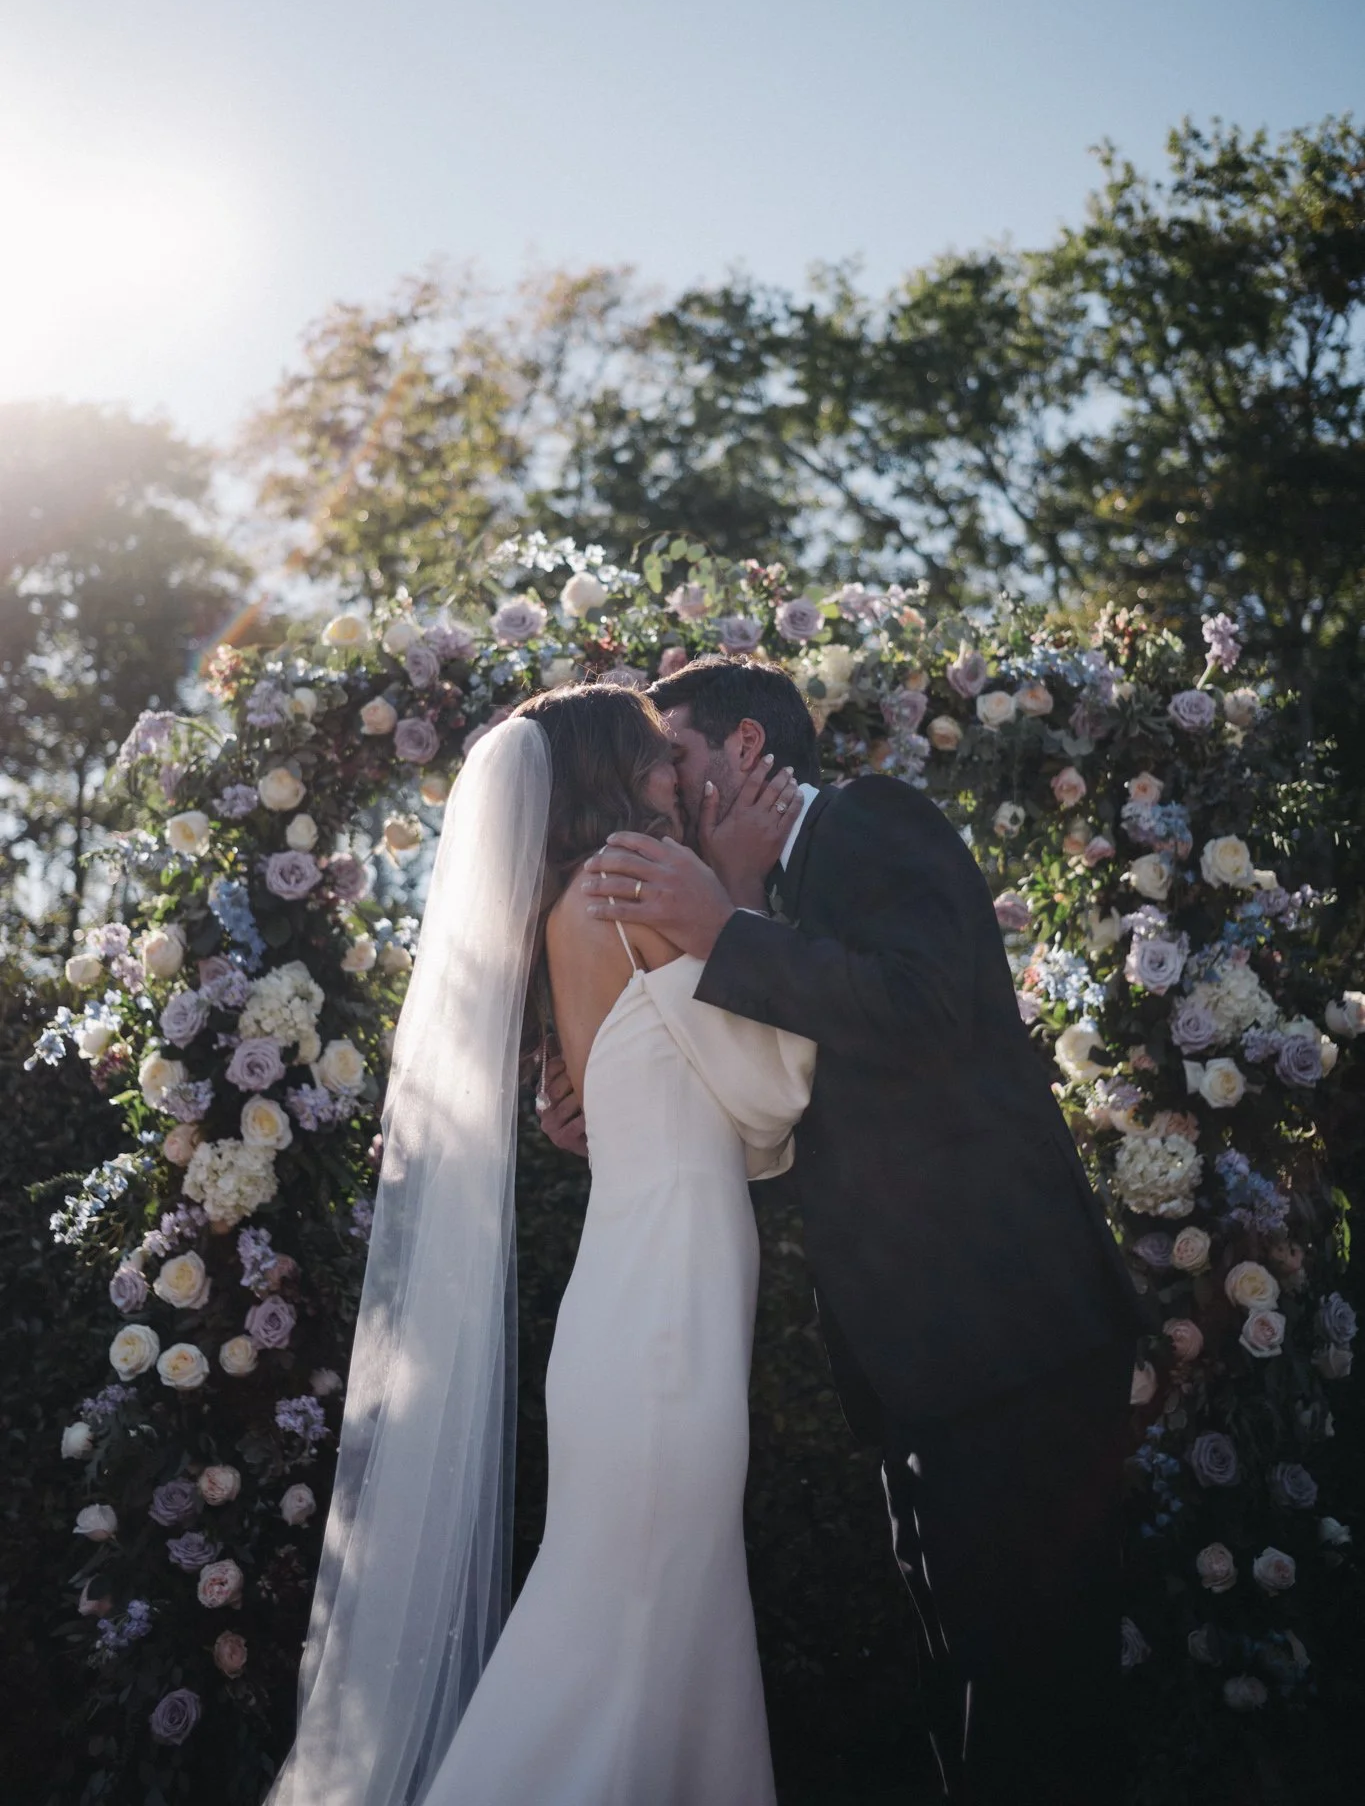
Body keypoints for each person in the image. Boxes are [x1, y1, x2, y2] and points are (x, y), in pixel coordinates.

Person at [571, 656, 1146, 1806]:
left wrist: (724, 927)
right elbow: (785, 1120)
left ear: (743, 746)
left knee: (1038, 1696)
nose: (668, 794)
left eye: (676, 757)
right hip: (917, 1364)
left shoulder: (873, 820)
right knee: (968, 1685)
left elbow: (925, 1007)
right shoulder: (761, 901)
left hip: (1011, 1337)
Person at [268, 683, 812, 1806]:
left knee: (647, 1601)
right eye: (659, 760)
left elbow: (679, 1104)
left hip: (642, 1293)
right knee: (637, 1612)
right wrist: (746, 891)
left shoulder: (574, 902)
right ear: (613, 772)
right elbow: (774, 1092)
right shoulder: (641, 880)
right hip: (665, 1309)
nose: (680, 776)